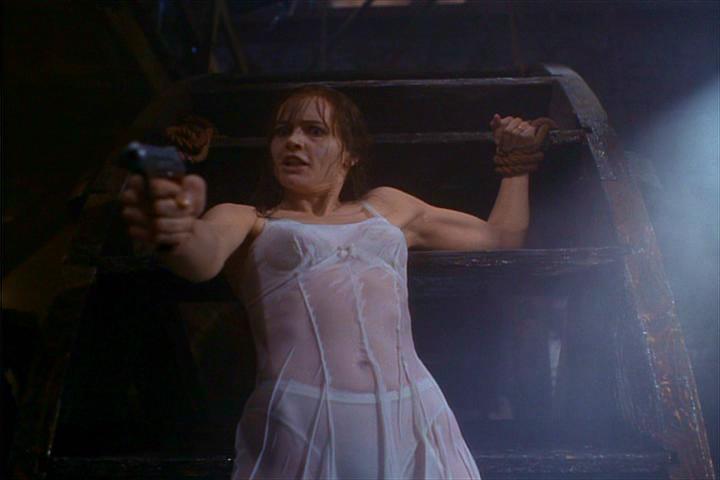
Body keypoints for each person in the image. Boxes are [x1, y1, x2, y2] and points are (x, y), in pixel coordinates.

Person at [120, 85, 548, 479]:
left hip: (412, 411)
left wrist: (516, 164)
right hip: (303, 422)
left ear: (350, 152)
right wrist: (168, 220)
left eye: (314, 131)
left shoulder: (388, 206)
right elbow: (199, 257)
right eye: (282, 131)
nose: (293, 142)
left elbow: (500, 237)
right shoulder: (247, 219)